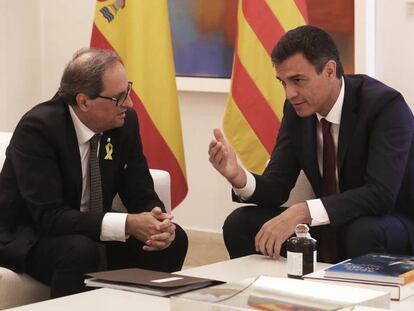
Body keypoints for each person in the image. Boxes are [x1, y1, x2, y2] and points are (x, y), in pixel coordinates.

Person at [209, 25, 414, 263]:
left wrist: (303, 211)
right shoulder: (297, 112)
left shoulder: (384, 106)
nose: (290, 94)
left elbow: (380, 195)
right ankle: (269, 296)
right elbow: (277, 186)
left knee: (362, 231)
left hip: (393, 221)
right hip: (331, 221)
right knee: (241, 223)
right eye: (283, 83)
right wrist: (238, 177)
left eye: (297, 80)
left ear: (329, 71)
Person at [0, 48, 188, 298]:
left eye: (128, 91)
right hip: (31, 235)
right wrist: (127, 223)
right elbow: (50, 217)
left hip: (89, 231)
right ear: (83, 101)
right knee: (80, 250)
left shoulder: (124, 123)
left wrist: (158, 221)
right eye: (119, 97)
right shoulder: (38, 128)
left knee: (173, 242)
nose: (129, 104)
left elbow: (139, 189)